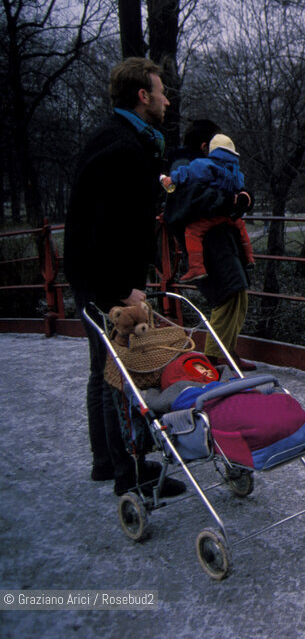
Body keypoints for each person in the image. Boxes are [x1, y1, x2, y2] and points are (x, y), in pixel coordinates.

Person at [65, 57, 185, 497]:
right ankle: (127, 471)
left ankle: (107, 462)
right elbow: (110, 225)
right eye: (161, 91)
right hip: (107, 280)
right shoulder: (124, 147)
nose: (167, 100)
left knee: (103, 371)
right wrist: (127, 286)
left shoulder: (115, 139)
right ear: (143, 96)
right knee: (121, 372)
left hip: (89, 274)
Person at [163, 121, 257, 372]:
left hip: (222, 242)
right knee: (228, 294)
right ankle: (214, 357)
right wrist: (232, 201)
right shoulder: (185, 168)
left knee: (238, 295)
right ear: (206, 146)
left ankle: (226, 352)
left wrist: (244, 198)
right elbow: (188, 203)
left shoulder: (208, 167)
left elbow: (236, 190)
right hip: (208, 247)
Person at [160, 134, 255, 282]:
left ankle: (196, 268)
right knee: (241, 229)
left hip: (211, 217)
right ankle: (249, 257)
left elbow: (188, 174)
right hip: (230, 216)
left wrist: (172, 178)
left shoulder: (205, 164)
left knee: (192, 232)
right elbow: (241, 189)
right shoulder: (236, 171)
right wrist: (244, 198)